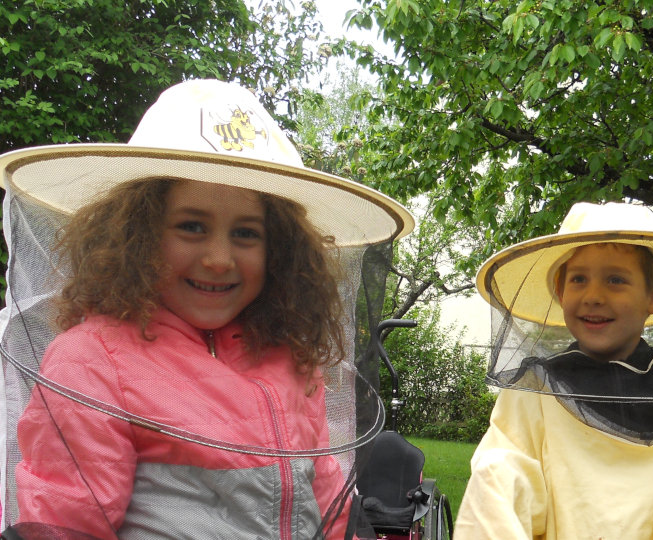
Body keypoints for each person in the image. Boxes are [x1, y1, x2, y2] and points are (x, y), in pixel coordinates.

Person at [0, 79, 414, 539]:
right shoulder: (93, 363)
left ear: (280, 249)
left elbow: (332, 511)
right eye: (192, 226)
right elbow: (65, 524)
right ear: (141, 234)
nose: (220, 258)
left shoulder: (289, 361)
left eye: (246, 233)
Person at [455, 202, 653, 539]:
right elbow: (502, 481)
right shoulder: (535, 390)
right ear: (560, 290)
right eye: (578, 279)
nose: (593, 295)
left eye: (615, 280)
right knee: (493, 467)